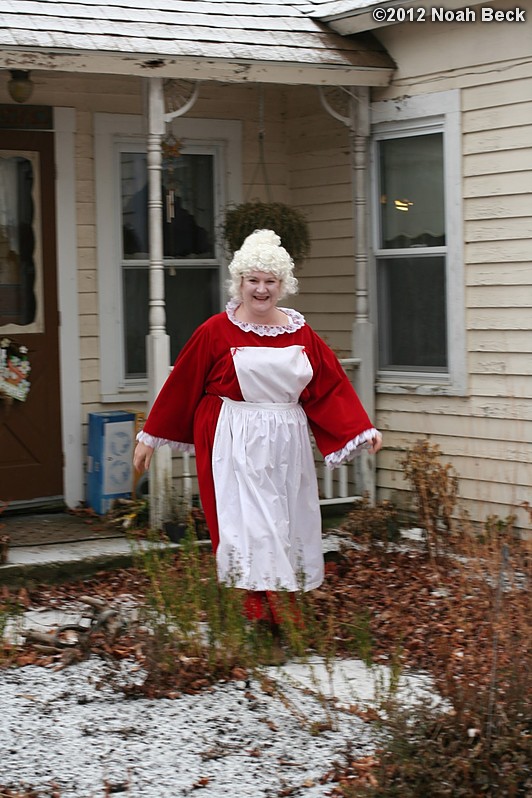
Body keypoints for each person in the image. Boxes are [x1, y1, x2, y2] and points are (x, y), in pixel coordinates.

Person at [133, 229, 382, 624]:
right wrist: (150, 435)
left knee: (287, 520)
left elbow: (328, 385)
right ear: (240, 283)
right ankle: (264, 606)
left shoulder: (300, 333)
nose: (261, 290)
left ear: (283, 286)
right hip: (235, 436)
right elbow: (183, 383)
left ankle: (277, 600)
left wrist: (358, 429)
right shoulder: (216, 331)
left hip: (287, 440)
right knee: (249, 522)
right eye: (253, 280)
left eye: (270, 281)